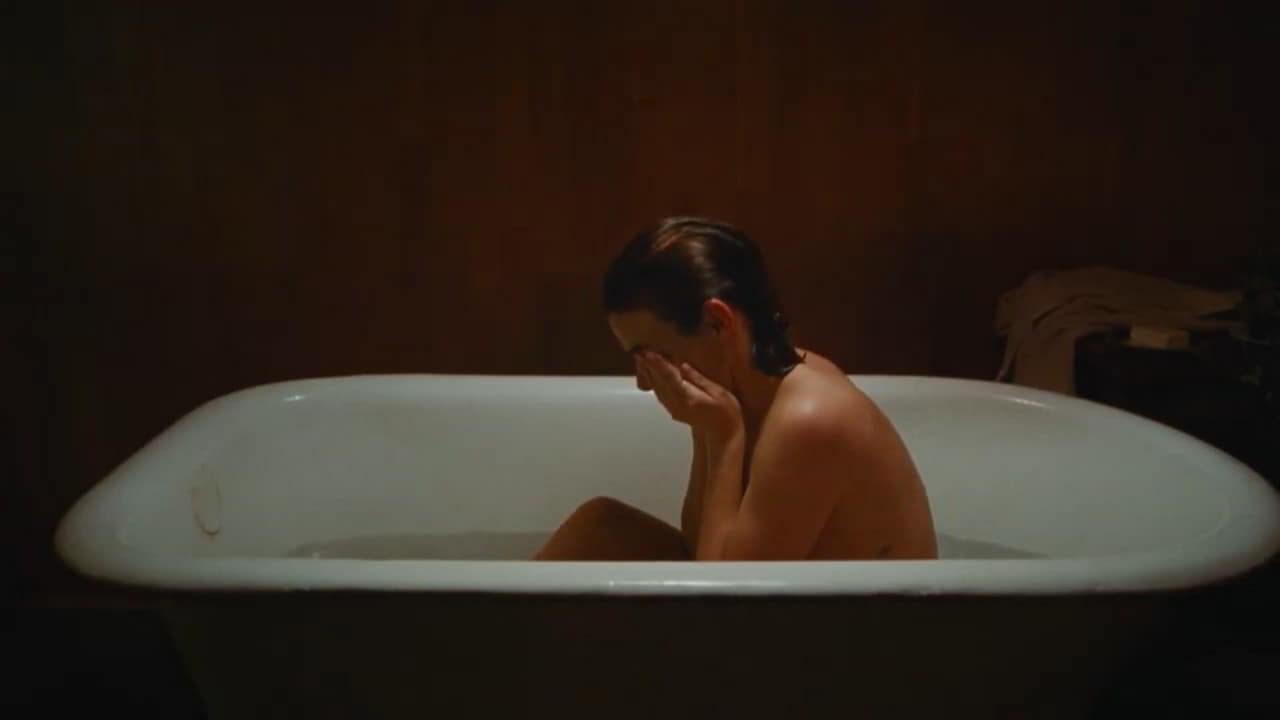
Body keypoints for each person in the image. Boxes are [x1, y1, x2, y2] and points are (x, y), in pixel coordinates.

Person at [534, 217, 937, 561]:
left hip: (863, 629)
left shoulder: (812, 419)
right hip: (781, 609)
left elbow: (725, 608)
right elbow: (702, 543)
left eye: (653, 356)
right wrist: (709, 430)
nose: (643, 382)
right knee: (600, 527)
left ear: (717, 323)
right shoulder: (740, 385)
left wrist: (724, 439)